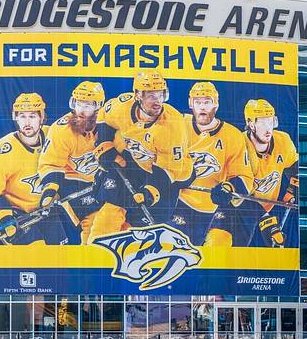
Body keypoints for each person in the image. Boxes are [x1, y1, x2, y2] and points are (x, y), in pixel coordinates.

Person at [90, 70, 194, 239]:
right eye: (152, 96)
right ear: (137, 95)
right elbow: (103, 118)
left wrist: (150, 192)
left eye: (161, 95)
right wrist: (105, 146)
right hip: (133, 162)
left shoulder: (173, 126)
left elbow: (169, 169)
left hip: (168, 175)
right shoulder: (122, 106)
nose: (158, 101)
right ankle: (96, 253)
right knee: (108, 217)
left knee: (138, 231)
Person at [172, 81, 253, 246]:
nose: (202, 107)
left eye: (207, 102)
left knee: (218, 245)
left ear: (216, 104)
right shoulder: (177, 125)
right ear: (190, 104)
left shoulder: (232, 135)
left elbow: (244, 176)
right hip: (178, 202)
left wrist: (229, 188)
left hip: (213, 205)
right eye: (198, 102)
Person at [209, 99, 298, 247]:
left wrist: (291, 190)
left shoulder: (284, 141)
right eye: (262, 123)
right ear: (251, 124)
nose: (268, 128)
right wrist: (265, 219)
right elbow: (242, 191)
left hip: (256, 212)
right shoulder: (239, 144)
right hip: (230, 204)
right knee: (218, 243)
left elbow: (295, 168)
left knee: (239, 255)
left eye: (271, 122)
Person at [0, 93, 67, 245]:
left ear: (42, 118)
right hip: (13, 212)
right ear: (15, 118)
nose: (27, 122)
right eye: (22, 116)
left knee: (60, 253)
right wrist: (5, 218)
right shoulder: (2, 152)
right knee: (36, 251)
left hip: (45, 208)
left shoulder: (54, 136)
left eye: (32, 116)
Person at [38, 81, 105, 244]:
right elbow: (51, 164)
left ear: (98, 107)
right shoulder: (62, 130)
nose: (80, 110)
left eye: (87, 105)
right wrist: (49, 193)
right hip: (75, 182)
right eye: (78, 103)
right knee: (93, 226)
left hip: (105, 181)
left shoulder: (110, 123)